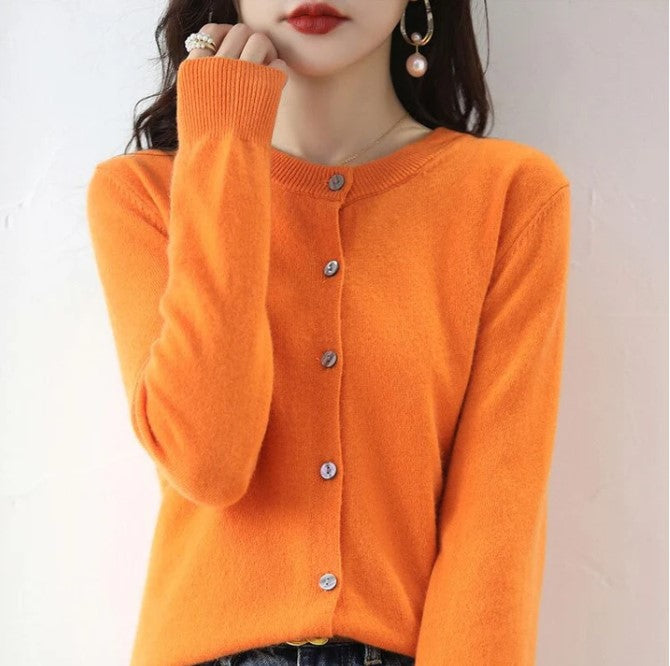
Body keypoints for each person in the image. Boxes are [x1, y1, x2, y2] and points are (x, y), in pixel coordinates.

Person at [86, 1, 571, 665]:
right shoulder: (143, 195)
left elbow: (498, 519)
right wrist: (224, 143)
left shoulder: (509, 195)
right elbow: (208, 463)